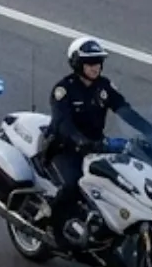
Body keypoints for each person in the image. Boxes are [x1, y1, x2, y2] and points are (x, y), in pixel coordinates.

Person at [44, 37, 127, 247]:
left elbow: (125, 110)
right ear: (78, 64)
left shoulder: (104, 87)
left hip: (96, 148)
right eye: (90, 62)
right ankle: (56, 231)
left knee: (121, 181)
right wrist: (81, 141)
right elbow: (63, 124)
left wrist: (150, 130)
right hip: (65, 149)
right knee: (73, 185)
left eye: (98, 62)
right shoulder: (63, 89)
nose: (95, 67)